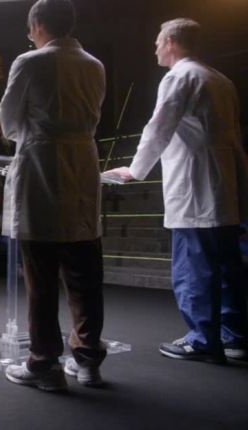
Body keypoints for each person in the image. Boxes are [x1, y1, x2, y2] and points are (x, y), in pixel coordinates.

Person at [104, 18, 248, 364]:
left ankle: (202, 340)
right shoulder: (220, 79)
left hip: (195, 187)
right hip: (224, 186)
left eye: (158, 40)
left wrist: (135, 169)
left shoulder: (179, 77)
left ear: (170, 41)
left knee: (194, 266)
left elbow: (158, 128)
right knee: (227, 266)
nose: (154, 47)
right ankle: (235, 336)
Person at [0, 0, 107, 391]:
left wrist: (34, 131)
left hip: (41, 164)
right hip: (82, 165)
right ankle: (88, 360)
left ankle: (44, 364)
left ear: (38, 25)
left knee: (41, 276)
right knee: (84, 273)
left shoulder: (29, 61)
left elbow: (9, 121)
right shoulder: (94, 64)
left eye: (30, 30)